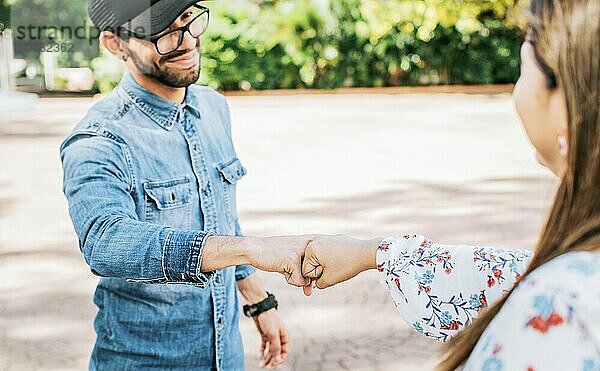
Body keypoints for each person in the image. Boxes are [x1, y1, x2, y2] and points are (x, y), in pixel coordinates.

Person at [301, 0, 600, 369]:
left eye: (523, 67)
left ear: (566, 98)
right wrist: (373, 254)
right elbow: (505, 275)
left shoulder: (560, 308)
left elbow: (533, 287)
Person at [60, 1, 311, 369]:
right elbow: (105, 241)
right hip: (145, 360)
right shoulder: (97, 140)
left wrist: (259, 302)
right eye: (161, 31)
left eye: (187, 20)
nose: (186, 40)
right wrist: (247, 248)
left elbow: (223, 220)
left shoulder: (213, 108)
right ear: (116, 44)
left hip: (227, 356)